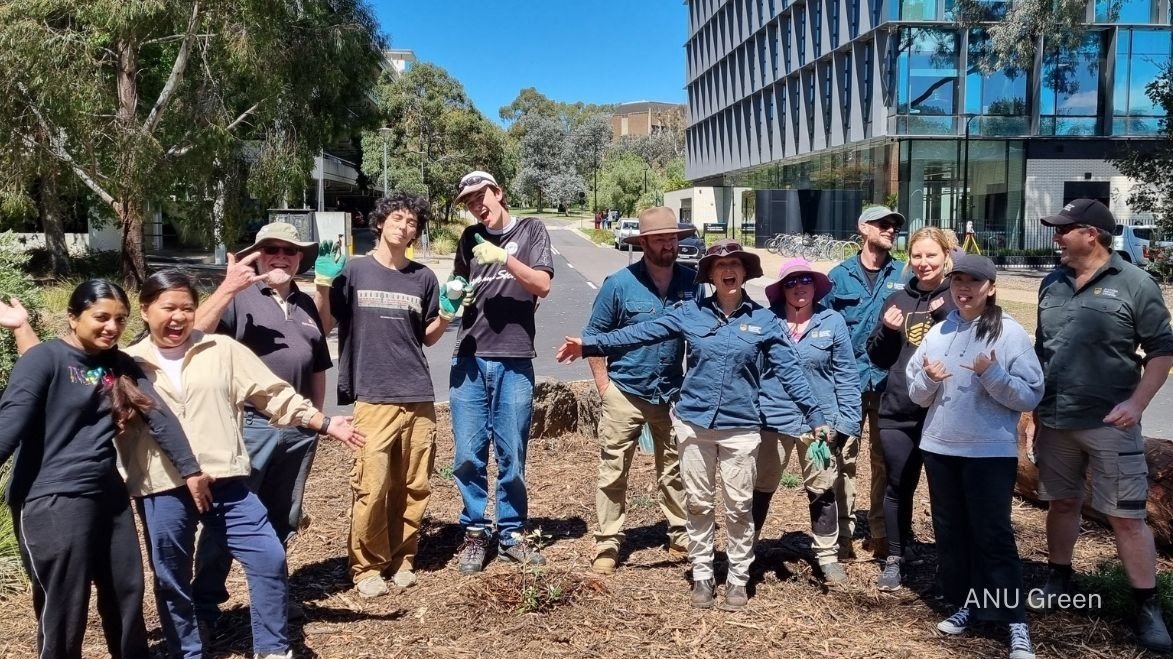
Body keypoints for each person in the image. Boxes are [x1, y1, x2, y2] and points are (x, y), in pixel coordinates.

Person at [557, 240, 828, 611]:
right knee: (698, 503)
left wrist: (815, 417)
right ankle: (702, 573)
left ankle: (737, 577)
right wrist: (589, 344)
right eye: (719, 266)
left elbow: (791, 372)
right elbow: (640, 333)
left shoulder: (764, 321)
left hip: (742, 428)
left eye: (734, 264)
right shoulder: (691, 313)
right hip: (694, 424)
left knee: (738, 507)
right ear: (711, 276)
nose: (727, 270)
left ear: (745, 271)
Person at [117, 270, 363, 659]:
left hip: (225, 481)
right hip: (162, 485)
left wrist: (324, 421)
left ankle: (272, 648)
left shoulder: (221, 349)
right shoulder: (127, 364)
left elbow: (274, 394)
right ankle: (188, 651)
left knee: (268, 555)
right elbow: (83, 401)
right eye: (168, 308)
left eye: (187, 308)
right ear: (146, 311)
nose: (178, 317)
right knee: (172, 578)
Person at [0, 281, 206, 659]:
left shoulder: (118, 364)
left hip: (108, 497)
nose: (112, 326)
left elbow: (159, 416)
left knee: (127, 589)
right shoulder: (43, 359)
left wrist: (191, 471)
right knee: (64, 604)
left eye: (120, 319)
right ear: (73, 317)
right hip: (52, 498)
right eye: (101, 317)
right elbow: (9, 423)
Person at [1030, 199, 1173, 652]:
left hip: (1111, 423)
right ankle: (1059, 578)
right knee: (1062, 504)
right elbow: (1042, 350)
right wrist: (1032, 409)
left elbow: (1162, 351)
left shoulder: (1135, 283)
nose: (1056, 237)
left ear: (1091, 234)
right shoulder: (1050, 283)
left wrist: (1137, 402)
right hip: (1055, 420)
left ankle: (1148, 608)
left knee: (1127, 517)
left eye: (1064, 229)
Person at [315, 193, 463, 597]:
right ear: (380, 223)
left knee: (414, 485)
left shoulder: (423, 278)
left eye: (412, 222)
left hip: (417, 394)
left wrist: (447, 313)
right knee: (372, 486)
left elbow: (427, 339)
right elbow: (325, 324)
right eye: (397, 218)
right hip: (373, 395)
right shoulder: (355, 271)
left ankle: (403, 559)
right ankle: (365, 567)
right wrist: (324, 286)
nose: (405, 226)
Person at [190, 221, 332, 621]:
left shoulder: (304, 305)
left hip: (299, 432)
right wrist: (228, 288)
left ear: (300, 258)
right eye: (272, 250)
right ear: (259, 255)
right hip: (250, 428)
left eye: (289, 251)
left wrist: (315, 421)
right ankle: (205, 604)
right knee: (229, 517)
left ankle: (270, 600)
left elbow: (318, 364)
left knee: (281, 518)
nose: (281, 257)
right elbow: (193, 334)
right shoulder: (241, 298)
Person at [906, 254, 1043, 659]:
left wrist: (993, 375)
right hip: (941, 447)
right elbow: (916, 394)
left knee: (992, 534)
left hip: (989, 452)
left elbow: (1031, 393)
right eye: (958, 281)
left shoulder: (1011, 334)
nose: (963, 289)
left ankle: (1015, 620)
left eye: (973, 282)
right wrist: (928, 378)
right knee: (953, 533)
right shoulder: (938, 331)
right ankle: (970, 604)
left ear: (991, 288)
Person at [449, 170, 555, 573]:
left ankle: (510, 533)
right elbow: (456, 287)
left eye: (481, 197)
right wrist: (456, 294)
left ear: (499, 193)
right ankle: (476, 531)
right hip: (469, 356)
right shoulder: (467, 239)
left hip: (513, 356)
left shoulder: (530, 230)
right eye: (470, 202)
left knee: (512, 453)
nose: (477, 206)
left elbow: (542, 285)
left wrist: (505, 258)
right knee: (468, 454)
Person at [581, 206, 695, 575]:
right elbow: (594, 338)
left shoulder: (692, 282)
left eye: (673, 238)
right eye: (660, 238)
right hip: (625, 391)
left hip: (671, 393)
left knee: (675, 469)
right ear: (644, 242)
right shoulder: (619, 284)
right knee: (613, 470)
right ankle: (608, 542)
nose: (669, 244)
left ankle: (680, 535)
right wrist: (604, 387)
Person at [753, 258, 861, 585]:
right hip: (772, 418)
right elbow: (752, 371)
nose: (799, 287)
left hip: (820, 424)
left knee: (822, 487)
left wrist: (847, 424)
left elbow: (846, 376)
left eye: (806, 280)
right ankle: (746, 548)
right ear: (781, 289)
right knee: (760, 486)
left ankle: (826, 556)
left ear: (816, 286)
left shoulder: (832, 321)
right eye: (791, 282)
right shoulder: (766, 322)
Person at [866, 225, 956, 591]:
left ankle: (949, 563)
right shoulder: (897, 301)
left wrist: (946, 313)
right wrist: (888, 331)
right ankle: (895, 556)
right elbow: (879, 356)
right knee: (897, 485)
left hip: (944, 412)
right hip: (899, 409)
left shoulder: (959, 296)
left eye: (931, 255)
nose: (923, 263)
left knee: (944, 491)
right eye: (917, 256)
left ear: (946, 257)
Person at [824, 205, 906, 561]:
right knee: (842, 458)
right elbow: (822, 325)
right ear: (863, 228)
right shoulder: (838, 277)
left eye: (893, 226)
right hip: (848, 382)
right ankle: (841, 535)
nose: (890, 230)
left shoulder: (905, 274)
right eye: (883, 224)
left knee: (886, 459)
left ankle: (881, 532)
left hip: (890, 382)